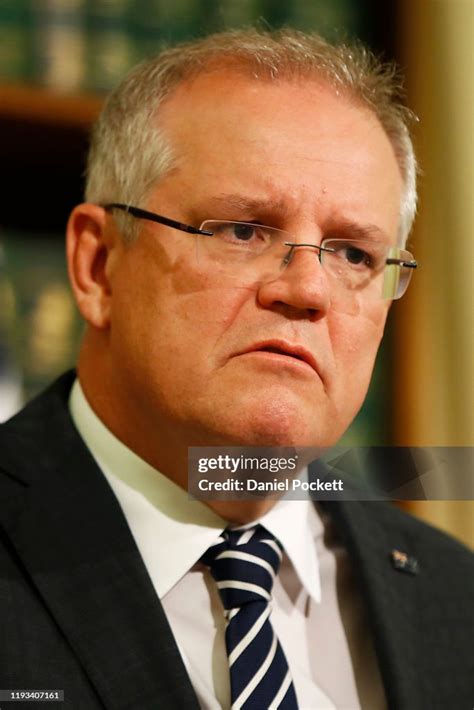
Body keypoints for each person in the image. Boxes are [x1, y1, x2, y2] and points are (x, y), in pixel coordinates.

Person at [0, 28, 472, 710]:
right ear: (98, 266)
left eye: (353, 255)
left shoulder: (455, 600)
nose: (307, 291)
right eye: (242, 231)